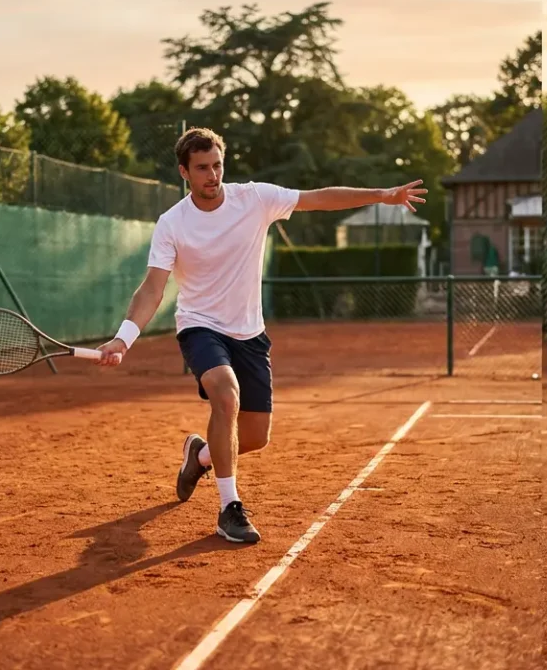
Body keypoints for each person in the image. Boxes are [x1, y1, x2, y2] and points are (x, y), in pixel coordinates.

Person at [94, 127, 426, 544]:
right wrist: (123, 338)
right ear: (184, 172)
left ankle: (199, 456)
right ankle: (229, 508)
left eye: (217, 165)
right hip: (199, 325)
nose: (212, 175)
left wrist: (381, 194)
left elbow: (318, 197)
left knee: (254, 437)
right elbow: (153, 288)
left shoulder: (254, 198)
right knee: (225, 394)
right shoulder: (172, 223)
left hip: (250, 333)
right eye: (202, 169)